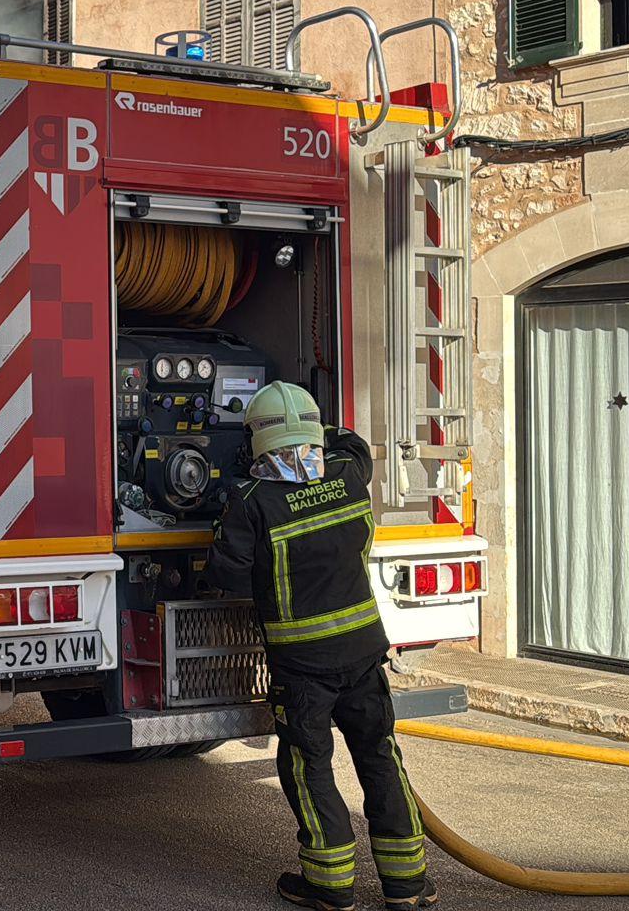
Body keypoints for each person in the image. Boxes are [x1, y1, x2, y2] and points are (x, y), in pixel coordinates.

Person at [205, 382, 437, 911]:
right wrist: (316, 429)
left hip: (304, 667)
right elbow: (352, 442)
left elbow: (229, 576)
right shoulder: (351, 476)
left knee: (310, 765)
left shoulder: (252, 502)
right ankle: (408, 885)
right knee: (379, 755)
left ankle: (330, 885)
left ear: (256, 444)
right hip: (363, 656)